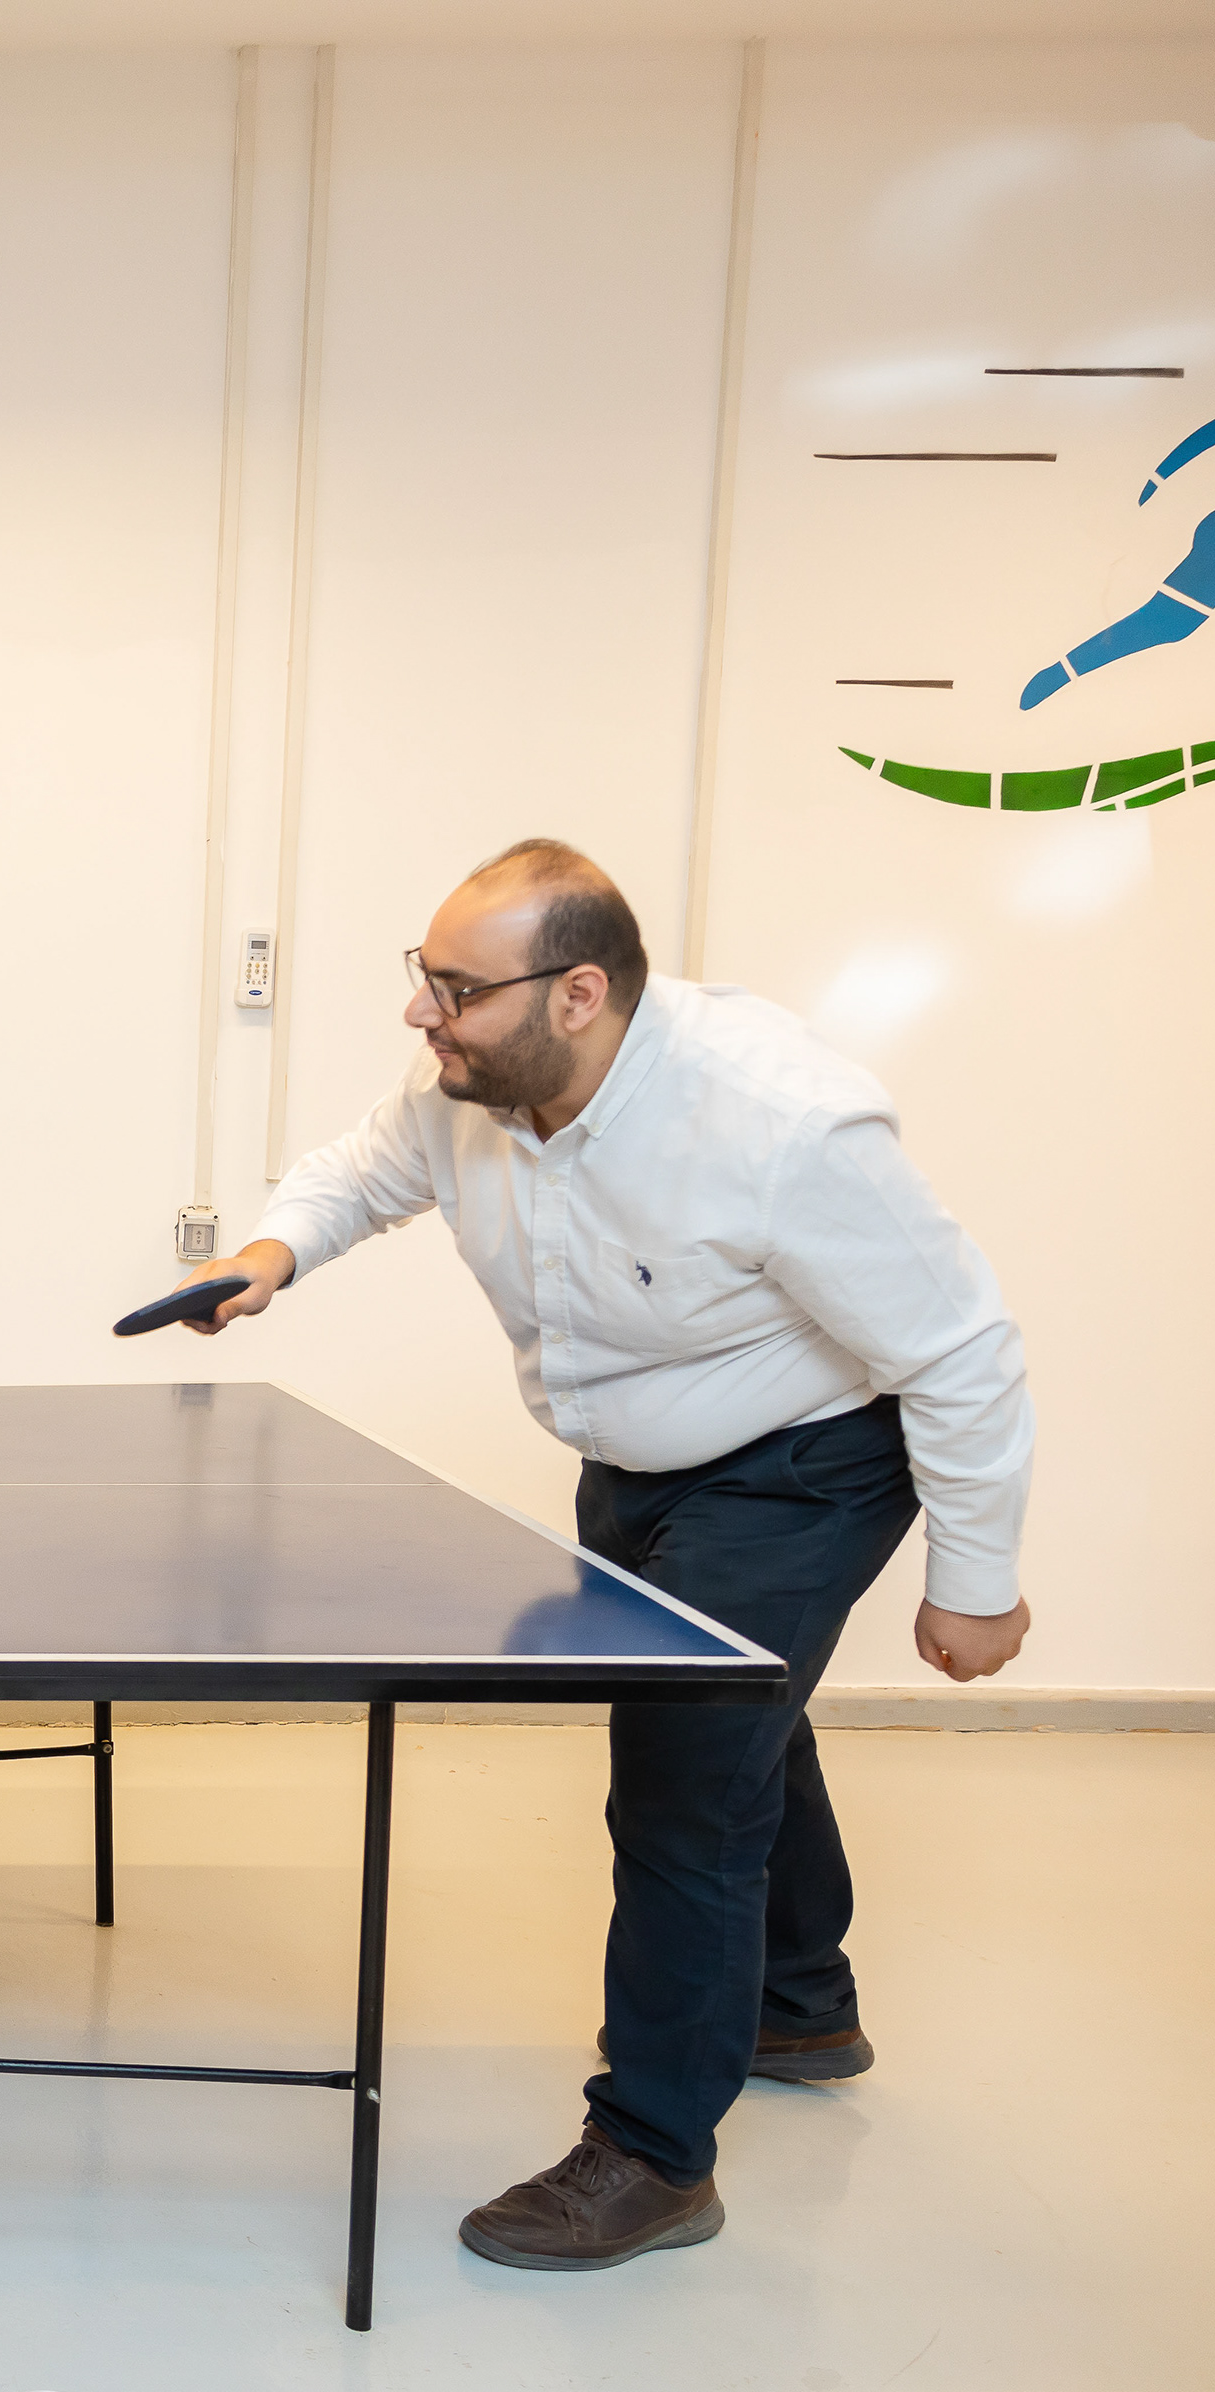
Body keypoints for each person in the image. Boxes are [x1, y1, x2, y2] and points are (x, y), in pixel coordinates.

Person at [181, 838, 1032, 2273]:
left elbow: (962, 1349)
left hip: (805, 1463)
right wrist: (271, 1254)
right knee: (743, 1717)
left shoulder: (779, 1123)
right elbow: (361, 1171)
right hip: (636, 1466)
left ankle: (653, 2154)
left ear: (578, 995)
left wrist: (977, 1583)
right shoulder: (471, 1086)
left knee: (684, 1783)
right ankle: (799, 2004)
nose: (422, 1013)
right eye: (424, 977)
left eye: (456, 989)